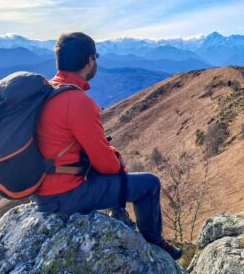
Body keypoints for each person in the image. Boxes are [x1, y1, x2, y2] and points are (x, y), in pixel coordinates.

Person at [31, 32, 182, 260]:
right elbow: (106, 165)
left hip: (41, 191)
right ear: (90, 60)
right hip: (66, 196)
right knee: (150, 183)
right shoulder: (78, 102)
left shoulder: (47, 91)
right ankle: (155, 245)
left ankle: (122, 216)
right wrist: (117, 160)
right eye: (97, 57)